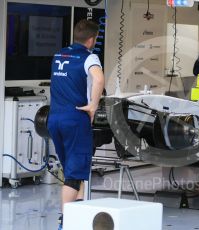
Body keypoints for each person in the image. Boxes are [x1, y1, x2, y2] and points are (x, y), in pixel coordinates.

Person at [47, 19, 105, 230]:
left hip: (54, 119)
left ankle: (78, 217)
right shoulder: (89, 57)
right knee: (73, 174)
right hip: (75, 119)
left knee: (73, 169)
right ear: (92, 39)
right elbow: (98, 80)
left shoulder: (58, 55)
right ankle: (66, 222)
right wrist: (93, 106)